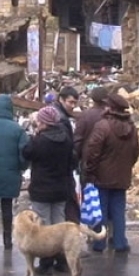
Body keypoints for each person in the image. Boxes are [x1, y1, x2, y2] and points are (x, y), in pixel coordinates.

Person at [83, 93, 139, 253]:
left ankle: (99, 243)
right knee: (118, 211)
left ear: (111, 107)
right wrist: (126, 167)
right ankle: (120, 242)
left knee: (100, 209)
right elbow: (135, 152)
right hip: (122, 176)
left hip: (102, 176)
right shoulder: (132, 128)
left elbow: (92, 152)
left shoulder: (103, 126)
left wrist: (90, 171)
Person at [22, 105, 76, 274]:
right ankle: (62, 261)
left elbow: (26, 153)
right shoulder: (66, 138)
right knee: (60, 224)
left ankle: (46, 263)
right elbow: (73, 161)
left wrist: (33, 136)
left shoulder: (40, 141)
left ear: (44, 123)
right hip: (61, 188)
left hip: (42, 190)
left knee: (43, 226)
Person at [0, 94, 29, 251]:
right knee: (7, 208)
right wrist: (22, 167)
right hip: (11, 173)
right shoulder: (18, 129)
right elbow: (24, 153)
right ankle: (8, 240)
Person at [51, 86, 81, 224]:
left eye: (75, 103)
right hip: (63, 171)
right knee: (68, 208)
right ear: (61, 100)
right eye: (70, 102)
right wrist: (74, 161)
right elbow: (68, 146)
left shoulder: (55, 114)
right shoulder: (62, 119)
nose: (73, 106)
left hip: (57, 171)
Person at [73, 87, 109, 173]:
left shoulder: (84, 115)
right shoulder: (111, 116)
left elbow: (78, 140)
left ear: (92, 99)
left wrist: (76, 160)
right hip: (107, 162)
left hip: (88, 160)